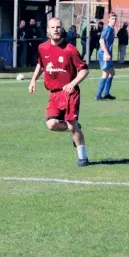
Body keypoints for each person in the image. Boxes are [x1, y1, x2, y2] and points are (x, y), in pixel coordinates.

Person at [28, 17, 90, 166]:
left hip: (70, 93)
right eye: (53, 27)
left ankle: (83, 158)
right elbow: (41, 64)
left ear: (62, 29)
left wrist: (73, 83)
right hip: (54, 94)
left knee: (71, 125)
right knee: (52, 124)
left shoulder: (71, 50)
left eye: (58, 27)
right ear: (48, 30)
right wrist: (33, 80)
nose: (56, 30)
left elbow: (84, 70)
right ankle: (74, 127)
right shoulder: (42, 48)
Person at [95, 13, 117, 100]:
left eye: (115, 18)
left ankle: (106, 94)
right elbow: (101, 41)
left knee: (112, 73)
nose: (114, 20)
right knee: (105, 73)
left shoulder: (111, 28)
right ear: (108, 19)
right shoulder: (107, 28)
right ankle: (98, 95)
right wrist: (106, 53)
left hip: (107, 53)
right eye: (112, 18)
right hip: (104, 53)